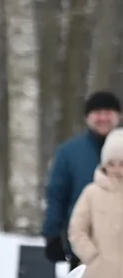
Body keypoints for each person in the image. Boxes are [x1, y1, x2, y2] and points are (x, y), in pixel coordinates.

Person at [43, 91, 121, 267]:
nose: (103, 118)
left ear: (118, 116)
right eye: (97, 113)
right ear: (88, 118)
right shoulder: (69, 153)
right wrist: (52, 234)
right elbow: (57, 196)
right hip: (83, 249)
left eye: (108, 112)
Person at [67, 128, 123, 278]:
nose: (117, 169)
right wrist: (91, 257)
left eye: (122, 164)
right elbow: (76, 229)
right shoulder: (91, 193)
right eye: (111, 163)